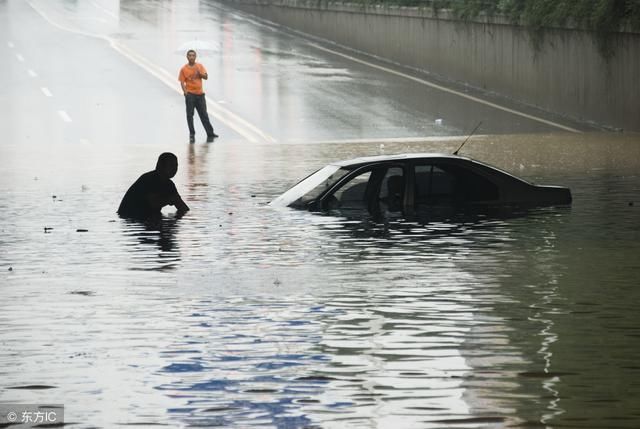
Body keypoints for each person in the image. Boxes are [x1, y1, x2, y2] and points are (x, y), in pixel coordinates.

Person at [118, 152, 190, 220]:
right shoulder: (149, 179)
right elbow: (153, 204)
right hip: (130, 217)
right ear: (160, 165)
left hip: (147, 217)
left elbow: (182, 207)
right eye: (171, 165)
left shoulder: (169, 184)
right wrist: (169, 200)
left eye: (176, 166)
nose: (175, 169)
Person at [179, 49, 218, 143]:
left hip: (200, 95)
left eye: (193, 55)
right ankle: (192, 133)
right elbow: (182, 82)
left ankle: (210, 133)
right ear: (187, 57)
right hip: (190, 95)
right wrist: (185, 93)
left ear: (195, 57)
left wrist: (199, 73)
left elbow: (206, 77)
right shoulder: (184, 69)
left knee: (204, 115)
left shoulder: (199, 66)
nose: (191, 57)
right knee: (190, 115)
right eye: (190, 55)